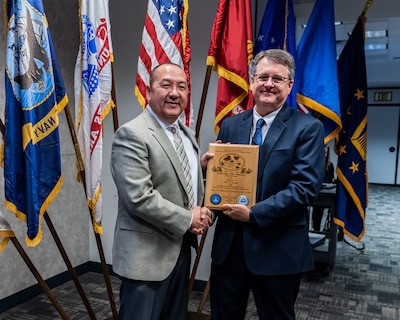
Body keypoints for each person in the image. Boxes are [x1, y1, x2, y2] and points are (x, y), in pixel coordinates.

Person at [209, 49, 326, 320]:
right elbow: (223, 178)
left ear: (289, 85)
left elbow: (304, 187)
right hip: (230, 249)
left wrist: (253, 214)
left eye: (277, 78)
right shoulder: (230, 125)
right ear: (251, 81)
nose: (269, 84)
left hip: (277, 248)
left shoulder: (307, 128)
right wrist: (209, 172)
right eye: (263, 77)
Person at [110, 62, 213, 320]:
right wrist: (190, 218)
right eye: (165, 85)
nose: (174, 93)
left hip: (179, 251)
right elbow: (139, 197)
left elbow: (180, 181)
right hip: (146, 256)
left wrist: (200, 171)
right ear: (148, 91)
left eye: (181, 87)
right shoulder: (132, 134)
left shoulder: (186, 134)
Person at [312, 144, 335, 231]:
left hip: (327, 192)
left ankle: (328, 231)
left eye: (326, 151)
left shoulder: (330, 165)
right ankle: (316, 230)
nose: (325, 152)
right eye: (323, 151)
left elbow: (331, 179)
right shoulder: (314, 163)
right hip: (317, 192)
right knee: (317, 211)